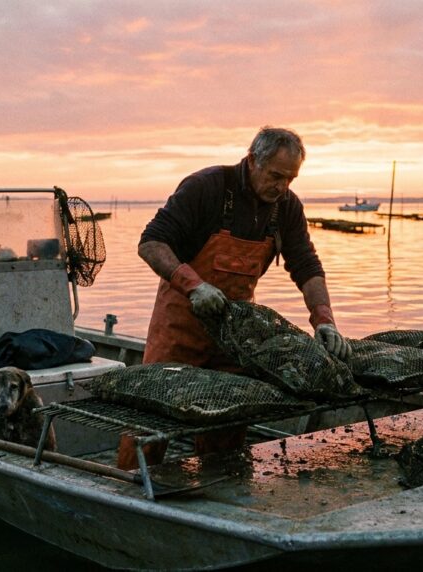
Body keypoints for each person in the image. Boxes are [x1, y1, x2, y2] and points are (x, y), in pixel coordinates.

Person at [115, 126, 351, 470]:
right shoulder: (206, 188)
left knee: (229, 418)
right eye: (275, 176)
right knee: (153, 414)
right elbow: (151, 243)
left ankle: (220, 487)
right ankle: (129, 485)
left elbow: (307, 266)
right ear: (253, 160)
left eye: (291, 179)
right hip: (180, 327)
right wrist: (194, 286)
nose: (282, 187)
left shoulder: (286, 207)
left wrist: (325, 320)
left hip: (235, 335)